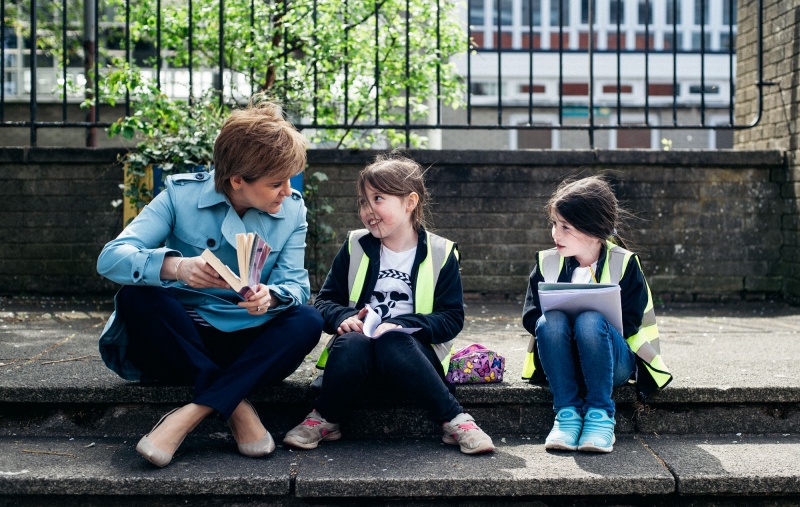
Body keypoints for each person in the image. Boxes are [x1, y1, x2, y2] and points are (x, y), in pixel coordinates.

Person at [96, 100, 323, 467]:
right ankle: (237, 405)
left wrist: (273, 296)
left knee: (308, 320)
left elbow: (296, 286)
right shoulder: (180, 196)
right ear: (237, 181)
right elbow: (112, 257)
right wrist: (177, 267)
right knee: (137, 298)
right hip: (182, 340)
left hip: (248, 342)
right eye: (276, 183)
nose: (286, 191)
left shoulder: (293, 210)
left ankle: (188, 415)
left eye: (289, 181)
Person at [282, 154, 494, 455]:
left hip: (412, 360)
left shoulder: (440, 252)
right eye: (363, 202)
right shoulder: (355, 245)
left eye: (378, 199)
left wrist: (405, 325)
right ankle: (325, 419)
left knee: (393, 341)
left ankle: (456, 420)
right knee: (352, 342)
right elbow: (325, 301)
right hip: (355, 362)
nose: (368, 210)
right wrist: (345, 317)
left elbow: (451, 318)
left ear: (410, 202)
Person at [521, 176, 672, 453]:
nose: (556, 234)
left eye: (565, 227)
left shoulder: (624, 263)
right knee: (550, 321)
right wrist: (562, 319)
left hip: (612, 362)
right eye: (554, 224)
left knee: (590, 321)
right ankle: (566, 414)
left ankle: (600, 415)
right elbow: (531, 317)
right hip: (562, 362)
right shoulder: (546, 262)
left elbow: (630, 322)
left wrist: (585, 320)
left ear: (593, 229)